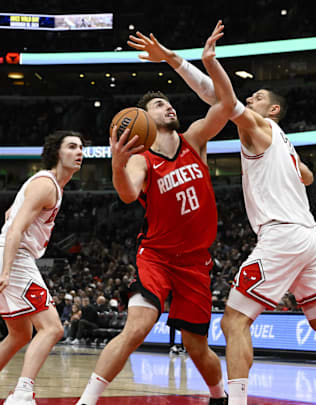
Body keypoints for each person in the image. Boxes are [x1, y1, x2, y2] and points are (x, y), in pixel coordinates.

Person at [129, 20, 316, 405]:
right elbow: (309, 177)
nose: (251, 99)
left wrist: (188, 61)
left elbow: (222, 99)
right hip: (306, 237)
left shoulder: (259, 128)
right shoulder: (284, 142)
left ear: (274, 108)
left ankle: (236, 401)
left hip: (281, 235)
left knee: (234, 320)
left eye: (259, 96)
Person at [75, 23, 236, 405]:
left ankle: (219, 397)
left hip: (196, 263)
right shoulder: (142, 161)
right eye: (159, 105)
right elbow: (129, 194)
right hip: (158, 257)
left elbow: (227, 106)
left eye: (169, 102)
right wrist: (116, 164)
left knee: (198, 348)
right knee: (139, 326)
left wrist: (199, 62)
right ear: (145, 120)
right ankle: (86, 401)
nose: (169, 106)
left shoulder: (194, 139)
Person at [0, 131, 83, 405]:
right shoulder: (47, 185)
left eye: (81, 147)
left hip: (0, 254)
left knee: (20, 334)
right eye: (72, 147)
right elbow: (16, 226)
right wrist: (6, 272)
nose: (80, 152)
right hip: (13, 258)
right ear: (57, 153)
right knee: (52, 329)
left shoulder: (48, 185)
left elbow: (11, 214)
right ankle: (22, 395)